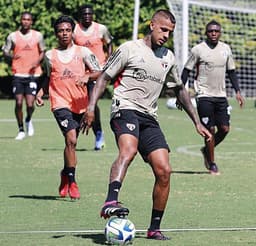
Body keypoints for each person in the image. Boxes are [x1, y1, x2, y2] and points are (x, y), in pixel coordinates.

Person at [82, 10, 212, 240]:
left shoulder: (168, 57)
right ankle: (111, 200)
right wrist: (91, 108)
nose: (165, 35)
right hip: (125, 109)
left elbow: (179, 89)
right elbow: (103, 77)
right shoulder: (129, 49)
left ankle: (154, 228)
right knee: (128, 150)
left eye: (170, 32)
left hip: (149, 117)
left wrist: (197, 122)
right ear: (152, 25)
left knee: (164, 170)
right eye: (163, 30)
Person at [36, 15, 101, 199]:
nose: (64, 33)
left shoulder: (84, 52)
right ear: (56, 34)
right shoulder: (50, 55)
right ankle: (72, 181)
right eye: (60, 31)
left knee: (71, 144)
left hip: (80, 104)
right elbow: (48, 77)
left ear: (72, 32)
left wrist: (88, 77)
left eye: (67, 30)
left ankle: (65, 173)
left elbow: (101, 73)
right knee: (71, 139)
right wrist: (41, 92)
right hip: (60, 102)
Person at [180, 20, 244, 175]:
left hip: (221, 95)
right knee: (209, 130)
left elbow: (231, 72)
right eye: (210, 31)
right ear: (206, 33)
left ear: (220, 32)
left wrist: (238, 91)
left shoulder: (226, 49)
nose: (213, 33)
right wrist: (180, 93)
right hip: (204, 95)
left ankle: (206, 150)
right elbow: (186, 71)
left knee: (224, 129)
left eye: (216, 31)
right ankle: (212, 163)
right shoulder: (198, 50)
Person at [73, 4, 113, 150]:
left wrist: (109, 60)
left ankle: (99, 134)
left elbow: (109, 43)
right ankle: (73, 134)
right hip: (80, 72)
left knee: (92, 103)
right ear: (81, 16)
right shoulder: (75, 30)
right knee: (79, 104)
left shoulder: (101, 29)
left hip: (97, 71)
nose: (87, 16)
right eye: (85, 14)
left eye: (90, 14)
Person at [2, 11, 46, 140]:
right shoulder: (13, 36)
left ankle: (28, 120)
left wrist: (37, 62)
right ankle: (21, 129)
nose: (26, 21)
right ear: (20, 21)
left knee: (31, 104)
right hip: (18, 74)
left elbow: (42, 51)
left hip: (32, 75)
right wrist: (11, 56)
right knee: (19, 102)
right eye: (23, 19)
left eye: (28, 20)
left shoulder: (38, 36)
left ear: (31, 22)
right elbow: (5, 50)